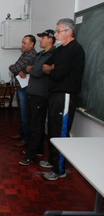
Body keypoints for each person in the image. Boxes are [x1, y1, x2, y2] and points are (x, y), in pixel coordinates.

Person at [41, 18, 85, 180]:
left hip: (65, 95)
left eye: (59, 31)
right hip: (54, 93)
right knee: (52, 128)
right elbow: (45, 66)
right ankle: (53, 161)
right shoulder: (60, 49)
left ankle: (59, 169)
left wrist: (52, 69)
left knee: (60, 131)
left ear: (69, 32)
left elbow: (56, 73)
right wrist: (51, 68)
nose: (56, 34)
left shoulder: (75, 49)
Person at [19, 30, 56, 166]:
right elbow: (26, 67)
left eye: (43, 38)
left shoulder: (53, 54)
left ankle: (30, 154)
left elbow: (35, 71)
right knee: (34, 122)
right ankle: (38, 150)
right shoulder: (40, 54)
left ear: (50, 40)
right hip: (33, 92)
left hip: (41, 94)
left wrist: (33, 68)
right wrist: (33, 68)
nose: (40, 40)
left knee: (36, 124)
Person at [9, 35, 37, 147]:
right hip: (21, 85)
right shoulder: (25, 53)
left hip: (25, 87)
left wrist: (15, 68)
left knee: (25, 113)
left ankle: (26, 138)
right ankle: (22, 133)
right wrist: (16, 68)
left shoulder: (31, 55)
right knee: (21, 112)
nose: (22, 45)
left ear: (32, 44)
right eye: (22, 42)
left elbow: (15, 68)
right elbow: (15, 67)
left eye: (24, 43)